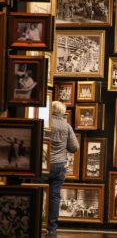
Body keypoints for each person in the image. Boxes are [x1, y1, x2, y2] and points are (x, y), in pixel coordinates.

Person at [40, 101, 79, 237]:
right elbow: (74, 147)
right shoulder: (66, 126)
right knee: (55, 196)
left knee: (38, 194)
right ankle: (52, 229)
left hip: (43, 165)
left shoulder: (45, 122)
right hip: (60, 165)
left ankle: (36, 224)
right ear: (62, 112)